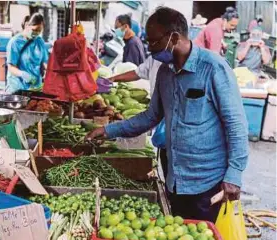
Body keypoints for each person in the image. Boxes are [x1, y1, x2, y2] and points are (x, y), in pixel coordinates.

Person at [86, 7, 249, 223]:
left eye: (154, 42)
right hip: (175, 180)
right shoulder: (164, 72)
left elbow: (236, 124)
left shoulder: (213, 68)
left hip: (208, 183)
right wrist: (108, 130)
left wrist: (234, 174)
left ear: (174, 37)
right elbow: (150, 117)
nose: (151, 49)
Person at [6, 13, 48, 94]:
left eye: (39, 31)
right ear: (26, 25)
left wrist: (47, 72)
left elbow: (44, 62)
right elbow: (11, 67)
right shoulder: (15, 42)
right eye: (34, 30)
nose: (37, 33)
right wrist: (22, 74)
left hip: (36, 88)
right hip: (18, 88)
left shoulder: (40, 41)